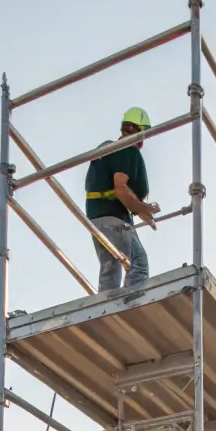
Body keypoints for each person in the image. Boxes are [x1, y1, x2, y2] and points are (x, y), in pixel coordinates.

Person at [84, 106, 160, 292]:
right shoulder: (127, 149)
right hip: (114, 219)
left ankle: (104, 314)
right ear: (141, 132)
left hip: (97, 219)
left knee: (110, 271)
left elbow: (113, 190)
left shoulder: (106, 149)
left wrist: (141, 210)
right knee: (138, 265)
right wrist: (143, 208)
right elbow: (121, 189)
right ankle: (130, 308)